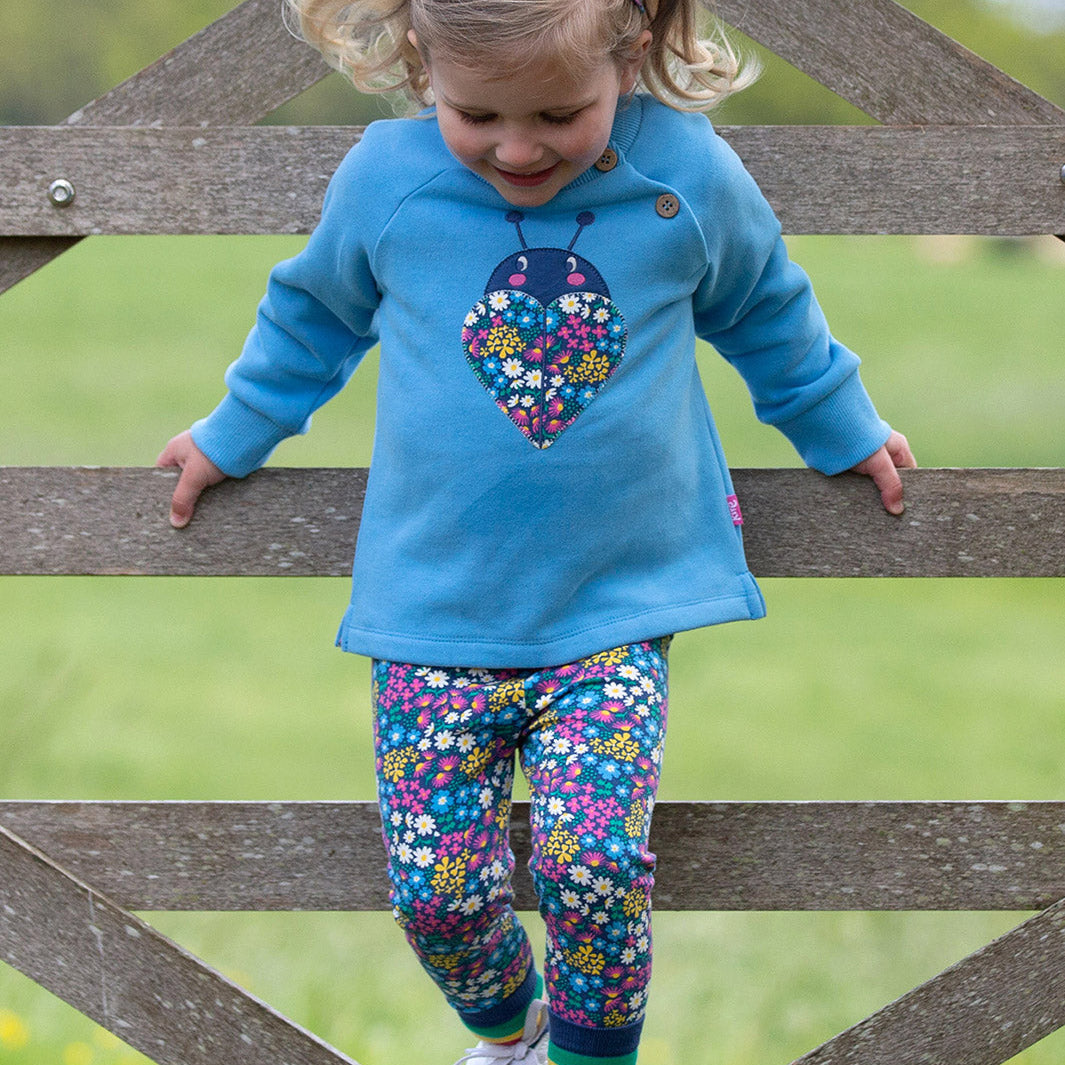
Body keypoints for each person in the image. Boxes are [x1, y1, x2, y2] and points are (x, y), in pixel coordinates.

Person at [157, 0, 916, 1060]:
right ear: (422, 63)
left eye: (559, 114)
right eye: (477, 115)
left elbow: (764, 307)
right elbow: (313, 317)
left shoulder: (683, 176)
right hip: (433, 613)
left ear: (629, 56)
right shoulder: (387, 182)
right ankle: (511, 1036)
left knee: (593, 868)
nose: (518, 150)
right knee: (437, 892)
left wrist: (841, 425)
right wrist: (233, 433)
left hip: (615, 608)